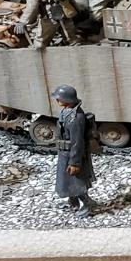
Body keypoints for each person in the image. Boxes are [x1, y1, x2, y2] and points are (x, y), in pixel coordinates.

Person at [51, 84, 97, 218]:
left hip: (72, 154)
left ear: (67, 99)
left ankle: (87, 203)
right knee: (67, 180)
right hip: (65, 152)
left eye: (59, 98)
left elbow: (77, 142)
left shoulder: (76, 117)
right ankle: (73, 202)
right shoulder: (67, 112)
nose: (57, 100)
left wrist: (75, 162)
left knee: (77, 181)